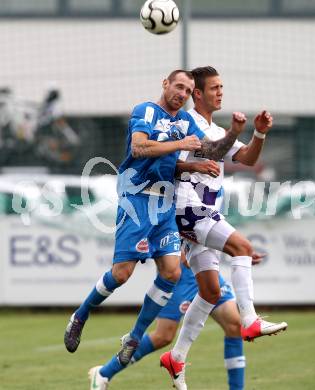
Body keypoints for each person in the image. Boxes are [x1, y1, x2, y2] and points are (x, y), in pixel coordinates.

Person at [64, 70, 246, 384]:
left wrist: (233, 133)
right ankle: (80, 314)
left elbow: (212, 150)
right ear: (165, 84)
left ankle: (133, 337)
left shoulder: (185, 123)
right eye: (179, 86)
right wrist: (181, 148)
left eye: (188, 90)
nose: (182, 94)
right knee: (122, 274)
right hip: (137, 199)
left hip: (164, 206)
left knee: (173, 271)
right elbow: (139, 149)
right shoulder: (145, 111)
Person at [160, 66, 287, 388]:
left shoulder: (213, 128)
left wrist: (259, 133)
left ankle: (176, 358)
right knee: (241, 247)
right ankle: (250, 320)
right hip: (187, 207)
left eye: (222, 87)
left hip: (201, 210)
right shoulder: (186, 122)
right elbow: (209, 152)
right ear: (198, 94)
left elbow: (244, 157)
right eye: (214, 87)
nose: (221, 92)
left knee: (211, 291)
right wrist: (232, 132)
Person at [88, 184, 263, 390]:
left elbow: (212, 230)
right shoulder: (185, 178)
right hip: (182, 273)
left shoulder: (217, 184)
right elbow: (170, 217)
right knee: (164, 336)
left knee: (234, 324)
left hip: (207, 272)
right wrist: (180, 248)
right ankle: (103, 373)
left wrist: (238, 251)